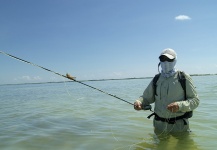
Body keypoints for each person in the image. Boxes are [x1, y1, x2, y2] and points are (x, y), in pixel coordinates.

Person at [134, 48, 199, 133]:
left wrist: (179, 105)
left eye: (169, 59)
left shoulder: (183, 77)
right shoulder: (156, 78)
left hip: (179, 126)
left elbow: (195, 100)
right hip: (158, 125)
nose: (165, 62)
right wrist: (139, 102)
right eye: (163, 59)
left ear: (175, 61)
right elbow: (146, 98)